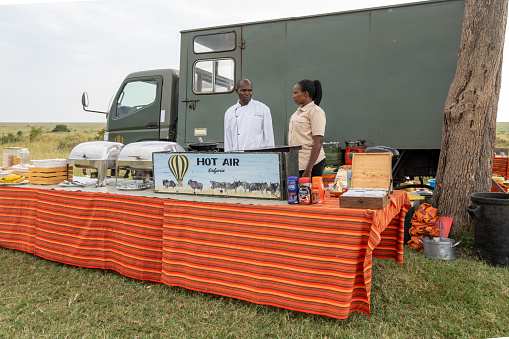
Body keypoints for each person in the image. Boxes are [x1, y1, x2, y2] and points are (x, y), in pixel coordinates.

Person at [224, 79, 275, 152]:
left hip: (258, 156)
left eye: (249, 90)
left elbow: (269, 137)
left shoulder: (263, 109)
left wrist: (270, 156)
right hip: (237, 156)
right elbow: (228, 139)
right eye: (243, 90)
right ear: (236, 91)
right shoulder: (229, 112)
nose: (247, 93)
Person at [289, 79, 326, 178]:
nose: (293, 96)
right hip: (298, 164)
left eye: (296, 93)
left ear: (305, 93)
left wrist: (308, 170)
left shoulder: (315, 111)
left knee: (311, 193)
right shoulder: (298, 112)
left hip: (312, 165)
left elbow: (318, 143)